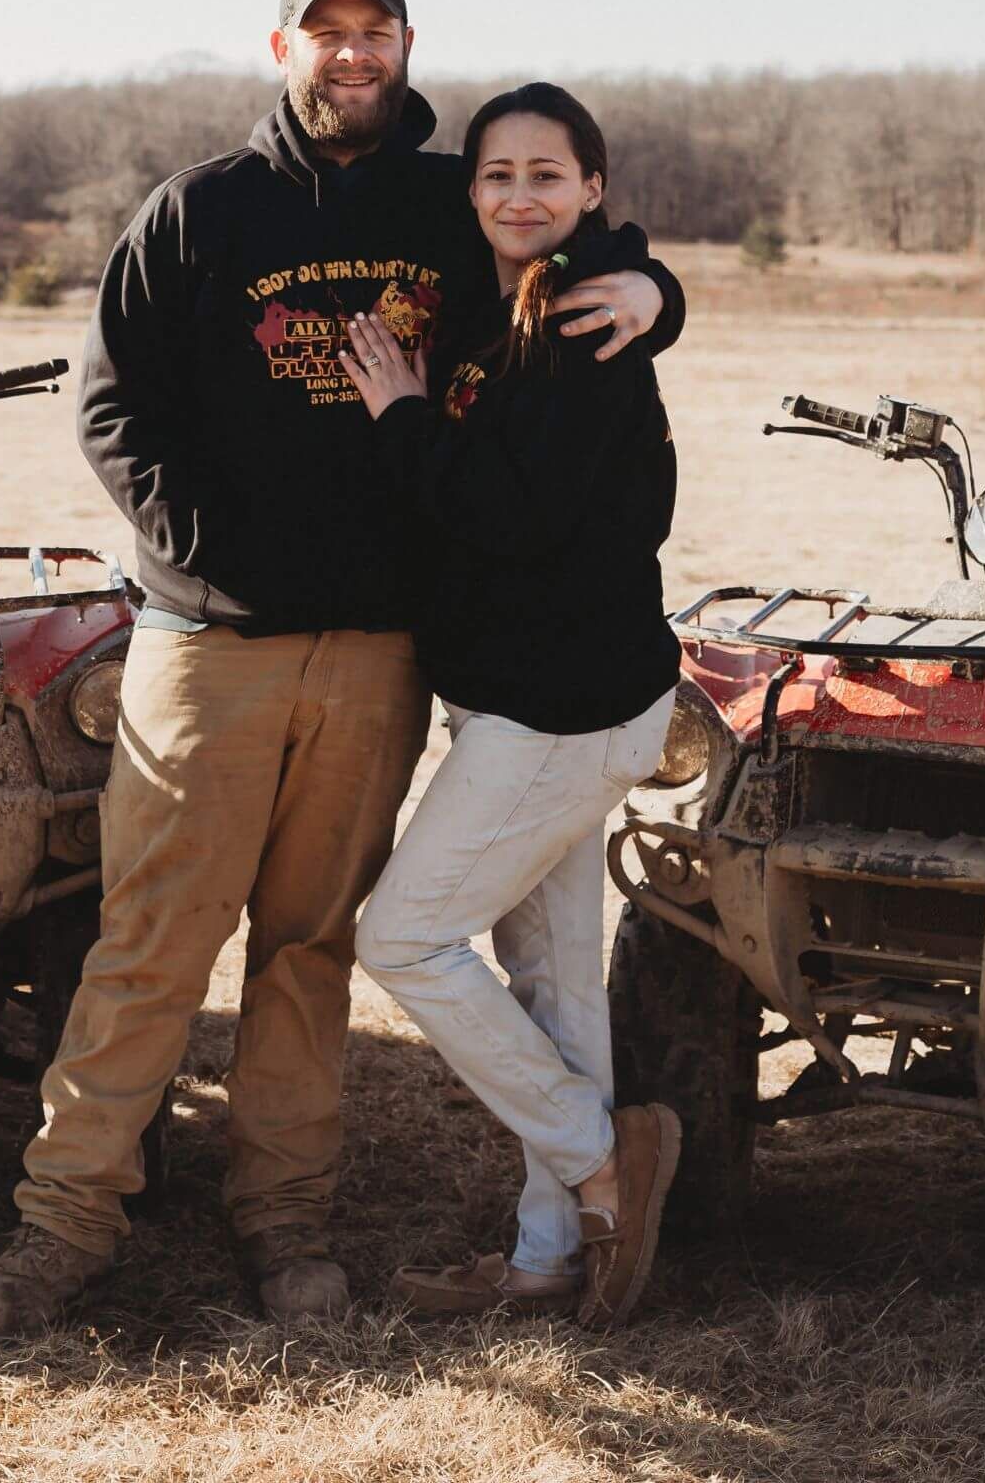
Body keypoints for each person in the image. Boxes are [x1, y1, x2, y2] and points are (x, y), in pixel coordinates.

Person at [0, 0, 684, 1336]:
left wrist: (653, 290)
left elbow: (570, 250)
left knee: (312, 951)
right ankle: (63, 1225)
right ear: (279, 46)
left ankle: (286, 1226)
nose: (353, 54)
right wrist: (223, 568)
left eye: (378, 31)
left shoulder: (442, 200)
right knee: (151, 944)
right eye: (325, 31)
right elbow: (117, 418)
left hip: (375, 658)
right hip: (209, 641)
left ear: (407, 45)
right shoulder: (197, 213)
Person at [346, 83, 683, 1329]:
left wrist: (401, 416)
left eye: (550, 173)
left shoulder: (586, 316)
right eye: (496, 175)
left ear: (594, 187)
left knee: (405, 939)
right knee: (551, 980)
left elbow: (508, 518)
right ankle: (558, 1255)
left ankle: (603, 1163)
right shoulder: (517, 304)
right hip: (526, 700)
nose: (519, 194)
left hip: (565, 706)